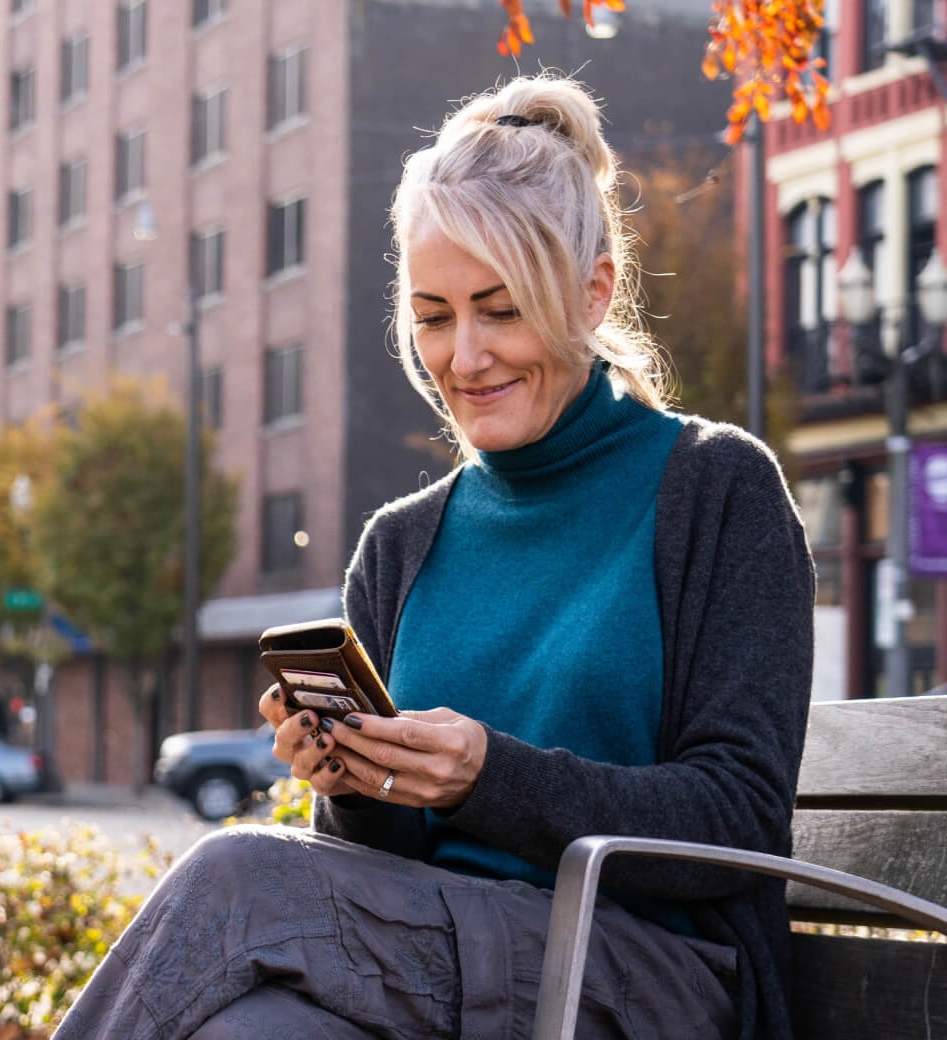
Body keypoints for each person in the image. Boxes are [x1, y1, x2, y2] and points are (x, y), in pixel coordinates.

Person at [52, 73, 814, 1040]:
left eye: (501, 309)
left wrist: (486, 775)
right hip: (447, 982)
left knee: (237, 877)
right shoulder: (400, 544)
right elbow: (375, 873)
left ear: (593, 290)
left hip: (652, 978)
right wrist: (354, 783)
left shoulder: (716, 490)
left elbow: (738, 819)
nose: (463, 357)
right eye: (434, 314)